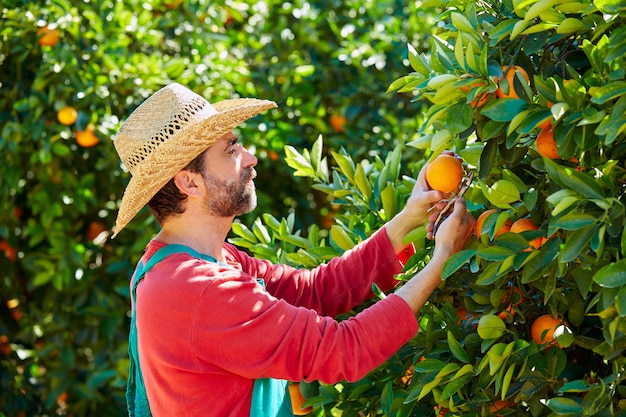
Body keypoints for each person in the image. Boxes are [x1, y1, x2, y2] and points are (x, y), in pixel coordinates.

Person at [112, 83, 475, 417]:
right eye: (232, 149)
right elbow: (344, 350)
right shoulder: (198, 288)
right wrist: (442, 258)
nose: (250, 158)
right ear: (189, 182)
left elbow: (313, 291)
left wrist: (408, 220)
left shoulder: (196, 263)